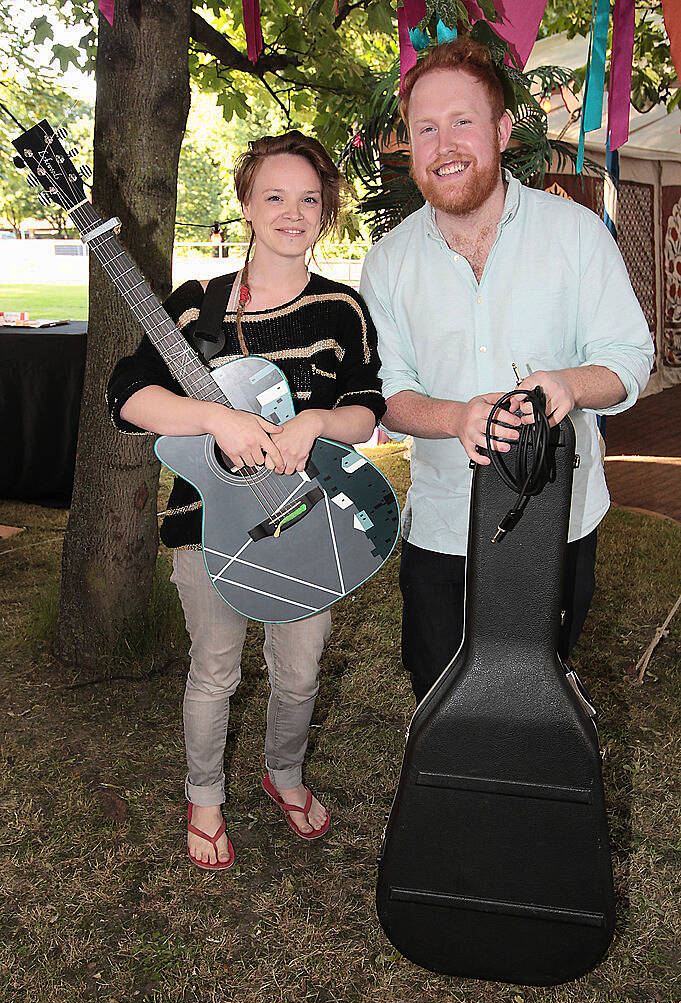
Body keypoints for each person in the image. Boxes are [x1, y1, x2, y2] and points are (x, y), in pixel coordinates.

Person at [107, 131, 385, 868]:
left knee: (299, 670)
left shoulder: (341, 310)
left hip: (308, 518)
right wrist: (215, 417)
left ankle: (283, 772)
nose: (291, 213)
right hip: (209, 524)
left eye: (308, 200)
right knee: (216, 670)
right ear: (245, 206)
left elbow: (365, 406)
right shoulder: (197, 306)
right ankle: (204, 794)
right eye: (274, 196)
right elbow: (127, 395)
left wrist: (318, 421)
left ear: (325, 212)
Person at [359, 39, 654, 703]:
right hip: (440, 526)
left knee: (535, 699)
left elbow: (630, 358)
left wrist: (567, 386)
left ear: (498, 130)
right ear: (408, 145)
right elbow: (385, 392)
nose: (443, 144)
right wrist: (453, 418)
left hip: (558, 524)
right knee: (438, 700)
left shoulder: (575, 235)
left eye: (462, 121)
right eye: (424, 129)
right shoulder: (387, 263)